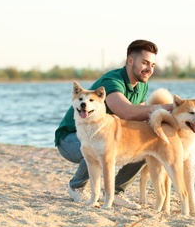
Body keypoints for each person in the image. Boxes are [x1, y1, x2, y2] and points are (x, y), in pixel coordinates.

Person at [54, 39, 173, 209]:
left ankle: (116, 191)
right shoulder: (112, 81)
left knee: (142, 145)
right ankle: (77, 186)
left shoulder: (142, 86)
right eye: (145, 62)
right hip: (70, 139)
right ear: (130, 60)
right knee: (98, 148)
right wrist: (172, 106)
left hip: (105, 137)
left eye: (153, 65)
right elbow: (128, 112)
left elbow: (137, 120)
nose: (149, 69)